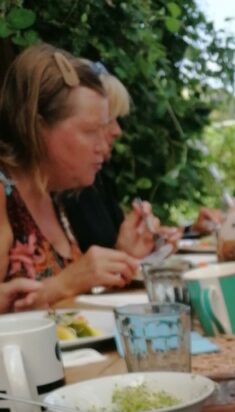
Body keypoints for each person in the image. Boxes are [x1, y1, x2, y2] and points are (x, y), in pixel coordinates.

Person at [0, 45, 138, 304]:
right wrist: (64, 284)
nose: (103, 144)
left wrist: (122, 256)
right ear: (37, 128)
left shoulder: (53, 194)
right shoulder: (4, 194)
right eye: (89, 131)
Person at [63, 69, 185, 258]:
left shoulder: (97, 179)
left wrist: (148, 246)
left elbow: (114, 254)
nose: (118, 131)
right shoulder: (68, 188)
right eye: (108, 120)